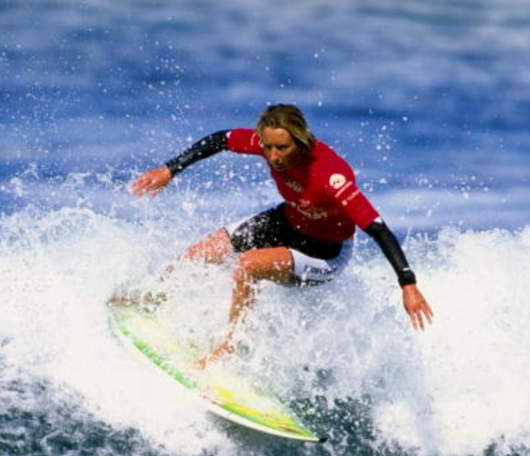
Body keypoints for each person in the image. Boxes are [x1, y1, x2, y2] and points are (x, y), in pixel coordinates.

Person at [125, 104, 433, 368]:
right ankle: (153, 299)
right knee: (202, 252)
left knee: (248, 265)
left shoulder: (330, 174)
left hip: (325, 252)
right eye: (268, 147)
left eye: (282, 148)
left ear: (300, 141)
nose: (273, 156)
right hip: (288, 220)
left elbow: (377, 228)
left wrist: (408, 285)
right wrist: (171, 169)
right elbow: (221, 139)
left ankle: (231, 349)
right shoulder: (267, 142)